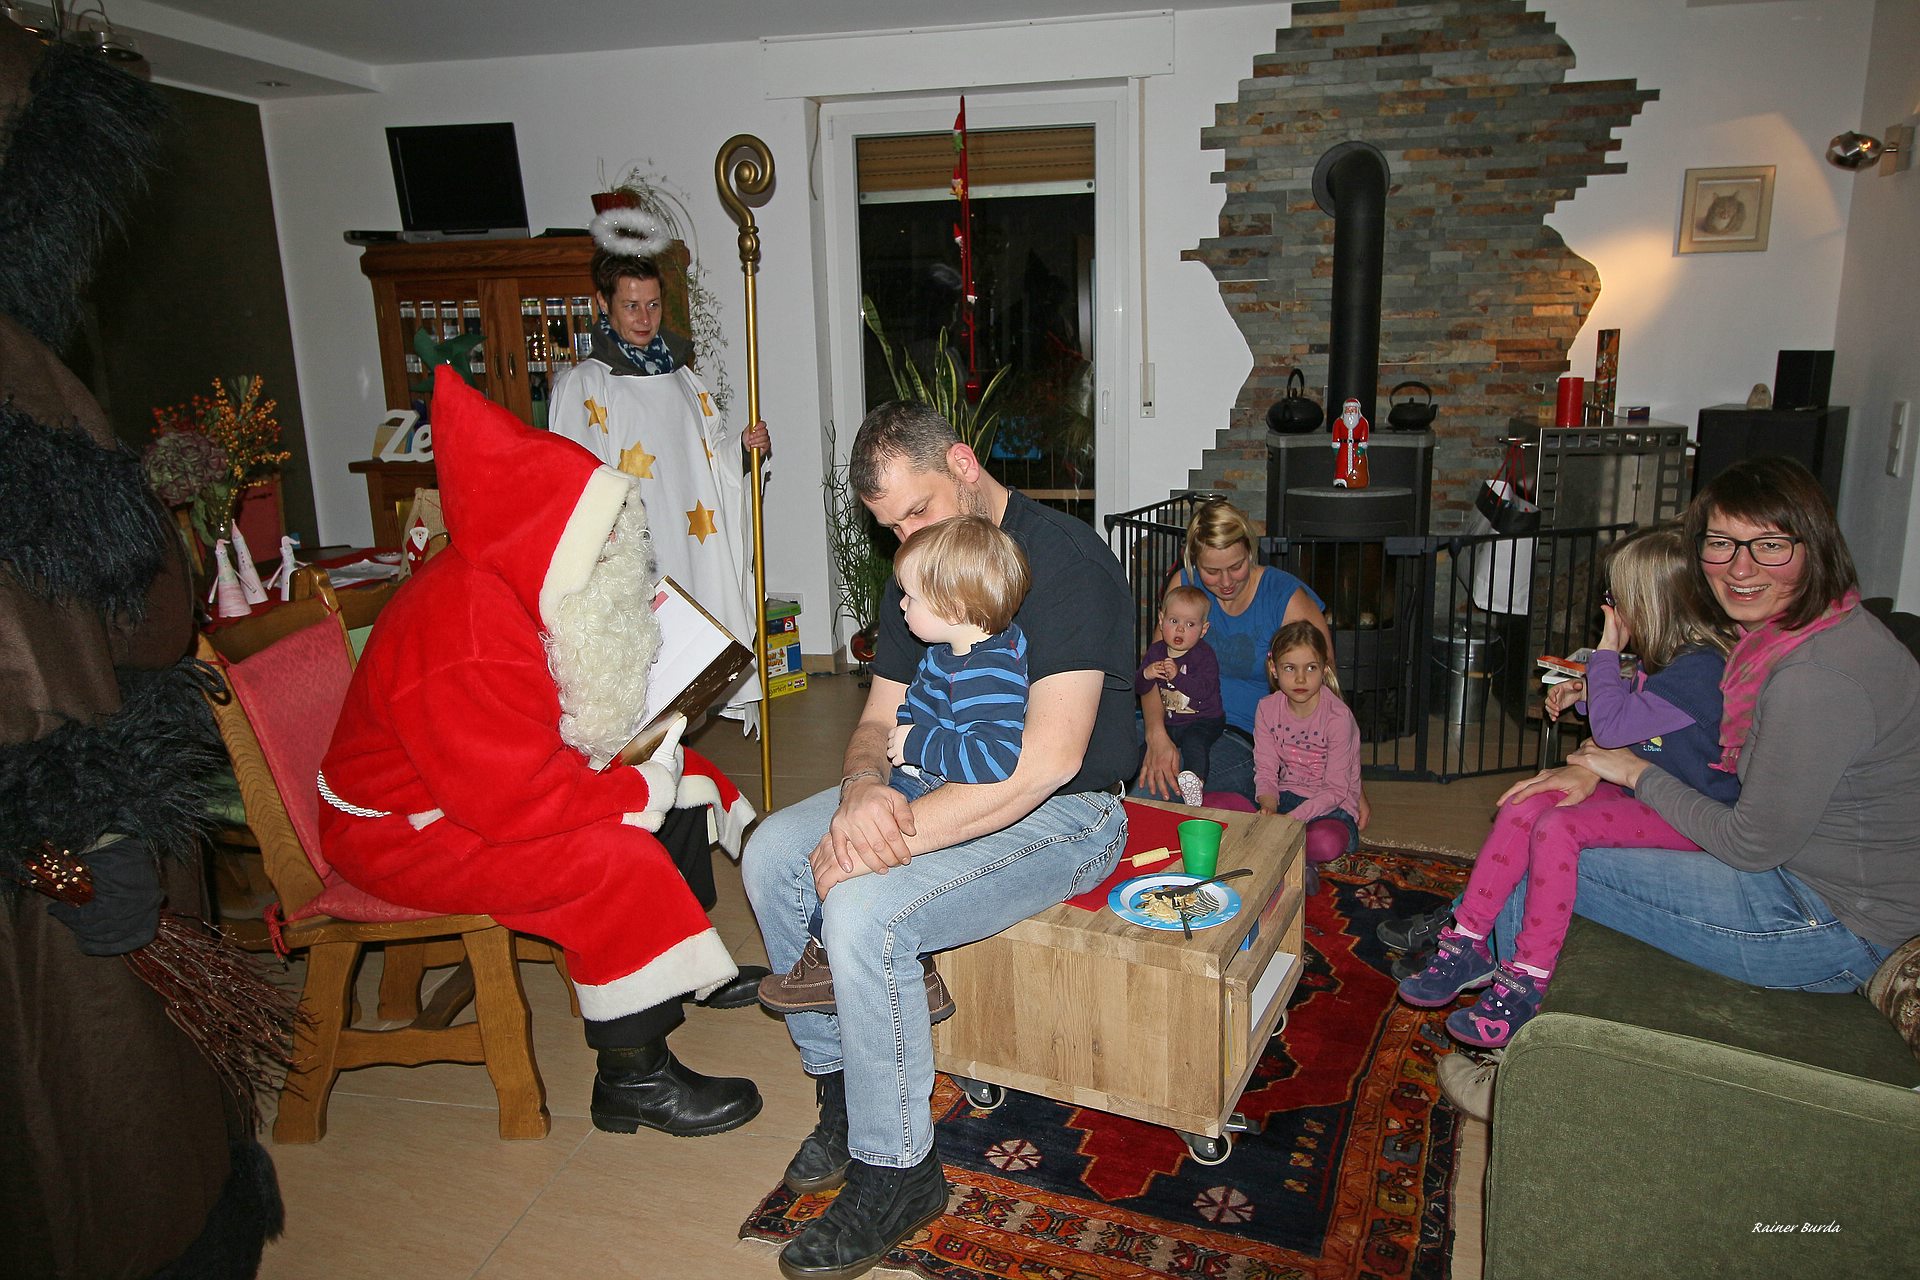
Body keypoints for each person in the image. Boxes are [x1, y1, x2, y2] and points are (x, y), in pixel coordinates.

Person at [1, 26, 287, 1279]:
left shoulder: (28, 372)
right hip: (68, 865)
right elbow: (90, 635)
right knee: (102, 1146)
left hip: (83, 835)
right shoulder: (25, 385)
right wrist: (80, 825)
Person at [320, 367, 767, 1140]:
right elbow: (510, 801)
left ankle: (683, 968)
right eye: (601, 536)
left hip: (468, 789)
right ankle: (632, 1078)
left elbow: (529, 735)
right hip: (401, 829)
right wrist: (631, 790)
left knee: (683, 773)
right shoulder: (464, 633)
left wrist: (643, 759)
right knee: (610, 857)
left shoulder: (512, 580)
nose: (617, 551)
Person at [742, 401, 1134, 1280]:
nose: (907, 538)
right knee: (770, 852)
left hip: (1067, 812)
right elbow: (877, 722)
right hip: (926, 776)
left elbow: (1046, 763)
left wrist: (887, 839)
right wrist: (862, 793)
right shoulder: (922, 566)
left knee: (864, 909)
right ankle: (844, 1097)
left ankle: (898, 1173)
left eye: (917, 510)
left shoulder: (1065, 562)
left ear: (961, 462)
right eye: (892, 529)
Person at [1437, 457, 1920, 1114]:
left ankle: (1516, 1078)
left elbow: (1750, 843)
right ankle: (1472, 944)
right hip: (1810, 882)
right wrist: (1595, 759)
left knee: (1540, 842)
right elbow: (1698, 741)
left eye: (1769, 545)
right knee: (1548, 812)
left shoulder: (1815, 680)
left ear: (1814, 546)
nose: (1740, 568)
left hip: (1826, 923)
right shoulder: (1791, 633)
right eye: (1721, 543)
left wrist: (1632, 770)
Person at [1398, 523, 1738, 1048]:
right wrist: (1586, 691)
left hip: (1686, 812)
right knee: (1526, 803)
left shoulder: (1701, 669)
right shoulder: (1669, 661)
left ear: (1651, 604)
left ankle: (1528, 979)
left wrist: (1606, 649)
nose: (1609, 609)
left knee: (1557, 829)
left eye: (1615, 599)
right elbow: (1643, 713)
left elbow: (1617, 729)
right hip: (1640, 790)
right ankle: (1468, 941)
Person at [758, 513, 1031, 1020]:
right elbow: (915, 706)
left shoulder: (988, 672)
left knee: (853, 853)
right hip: (914, 774)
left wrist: (918, 744)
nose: (901, 605)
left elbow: (995, 757)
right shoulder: (948, 651)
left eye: (911, 597)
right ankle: (918, 976)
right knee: (842, 837)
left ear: (954, 607)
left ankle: (826, 960)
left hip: (941, 787)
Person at [548, 211, 770, 726]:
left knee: (688, 661)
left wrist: (742, 451)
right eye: (631, 305)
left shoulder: (683, 379)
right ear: (603, 303)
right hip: (635, 550)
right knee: (638, 676)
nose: (644, 318)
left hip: (692, 542)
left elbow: (709, 457)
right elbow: (573, 475)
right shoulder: (586, 385)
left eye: (652, 304)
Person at [1138, 499, 1369, 832]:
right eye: (1211, 571)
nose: (1225, 581)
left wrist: (1351, 780)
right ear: (1193, 561)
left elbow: (1326, 688)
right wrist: (1155, 734)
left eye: (1236, 566)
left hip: (1243, 737)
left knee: (1157, 788)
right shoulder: (1184, 588)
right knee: (1109, 765)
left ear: (1250, 551)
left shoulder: (1285, 598)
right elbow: (1152, 671)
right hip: (1172, 722)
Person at [1254, 620, 1364, 880]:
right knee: (1237, 815)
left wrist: (1289, 821)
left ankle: (1293, 853)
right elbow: (1266, 771)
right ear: (1274, 669)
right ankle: (1297, 858)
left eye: (1311, 668)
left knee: (1326, 842)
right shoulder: (1267, 709)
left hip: (1332, 808)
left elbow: (1336, 790)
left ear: (1324, 669)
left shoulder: (1338, 717)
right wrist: (1269, 808)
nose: (1301, 678)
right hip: (1287, 796)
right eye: (1290, 668)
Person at [1135, 583, 1225, 806]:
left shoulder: (1204, 655)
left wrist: (1177, 677)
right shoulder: (1156, 652)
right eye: (1174, 621)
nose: (1180, 630)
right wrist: (1146, 674)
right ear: (1161, 619)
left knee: (1195, 743)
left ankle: (1196, 782)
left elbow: (1204, 691)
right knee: (1144, 751)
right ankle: (1125, 779)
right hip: (1171, 721)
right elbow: (1139, 689)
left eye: (1190, 624)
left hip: (1204, 719)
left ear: (1203, 629)